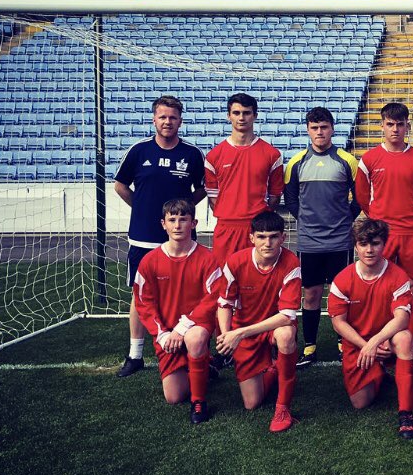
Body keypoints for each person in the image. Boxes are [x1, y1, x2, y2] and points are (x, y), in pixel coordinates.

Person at [114, 95, 207, 378]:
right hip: (143, 237)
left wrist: (182, 214)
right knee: (139, 294)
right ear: (154, 119)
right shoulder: (139, 151)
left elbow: (202, 189)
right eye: (163, 117)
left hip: (181, 239)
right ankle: (136, 354)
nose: (168, 122)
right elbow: (120, 185)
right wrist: (142, 207)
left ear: (180, 121)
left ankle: (197, 351)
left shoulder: (191, 154)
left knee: (191, 292)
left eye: (173, 117)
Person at [328, 218, 413, 439]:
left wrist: (375, 342)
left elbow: (401, 319)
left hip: (387, 338)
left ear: (384, 245)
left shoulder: (398, 276)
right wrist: (365, 345)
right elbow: (338, 322)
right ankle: (381, 373)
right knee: (361, 403)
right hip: (358, 343)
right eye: (363, 244)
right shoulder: (342, 280)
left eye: (376, 243)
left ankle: (406, 415)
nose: (369, 250)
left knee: (405, 338)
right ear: (356, 245)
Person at [283, 106, 360, 368]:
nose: (319, 132)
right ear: (308, 130)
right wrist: (305, 219)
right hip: (309, 242)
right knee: (312, 294)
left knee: (342, 294)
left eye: (324, 127)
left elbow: (360, 197)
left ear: (332, 129)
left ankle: (344, 343)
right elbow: (290, 199)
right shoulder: (296, 163)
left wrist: (345, 218)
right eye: (314, 128)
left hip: (340, 241)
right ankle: (310, 346)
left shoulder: (347, 161)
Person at [355, 103, 413, 367]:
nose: (395, 129)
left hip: (412, 231)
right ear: (382, 126)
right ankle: (380, 342)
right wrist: (378, 220)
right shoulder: (369, 159)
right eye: (390, 124)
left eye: (400, 124)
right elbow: (363, 197)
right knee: (379, 287)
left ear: (407, 126)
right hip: (382, 232)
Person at [132, 199, 222, 424]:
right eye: (172, 220)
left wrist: (183, 328)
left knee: (195, 338)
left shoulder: (207, 259)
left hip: (194, 327)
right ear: (163, 224)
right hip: (167, 334)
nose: (178, 225)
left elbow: (212, 299)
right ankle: (202, 365)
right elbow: (144, 303)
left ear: (194, 223)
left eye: (183, 219)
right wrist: (162, 333)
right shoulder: (150, 261)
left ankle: (199, 402)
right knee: (174, 397)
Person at [213, 210, 302, 433]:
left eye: (273, 236)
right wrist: (226, 334)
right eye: (261, 236)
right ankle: (273, 368)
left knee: (286, 334)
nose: (268, 242)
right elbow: (225, 303)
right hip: (245, 330)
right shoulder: (235, 262)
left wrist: (238, 333)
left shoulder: (291, 262)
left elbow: (287, 315)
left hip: (272, 327)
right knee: (251, 403)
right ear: (251, 237)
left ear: (283, 237)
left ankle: (283, 408)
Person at [205, 92, 285, 266]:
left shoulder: (272, 155)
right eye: (236, 113)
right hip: (226, 228)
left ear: (255, 116)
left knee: (256, 281)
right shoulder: (213, 156)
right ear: (228, 116)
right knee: (224, 281)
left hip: (257, 229)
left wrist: (259, 219)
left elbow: (275, 197)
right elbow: (213, 199)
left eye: (247, 113)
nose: (241, 118)